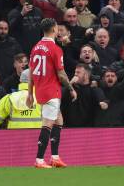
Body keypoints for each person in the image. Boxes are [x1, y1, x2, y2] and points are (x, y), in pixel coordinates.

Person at [26, 18, 77, 169]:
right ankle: (39, 160)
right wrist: (71, 89)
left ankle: (54, 157)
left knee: (58, 120)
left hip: (40, 89)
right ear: (54, 29)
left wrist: (30, 93)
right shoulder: (55, 49)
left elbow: (30, 72)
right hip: (51, 91)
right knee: (47, 125)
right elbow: (61, 74)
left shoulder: (35, 47)